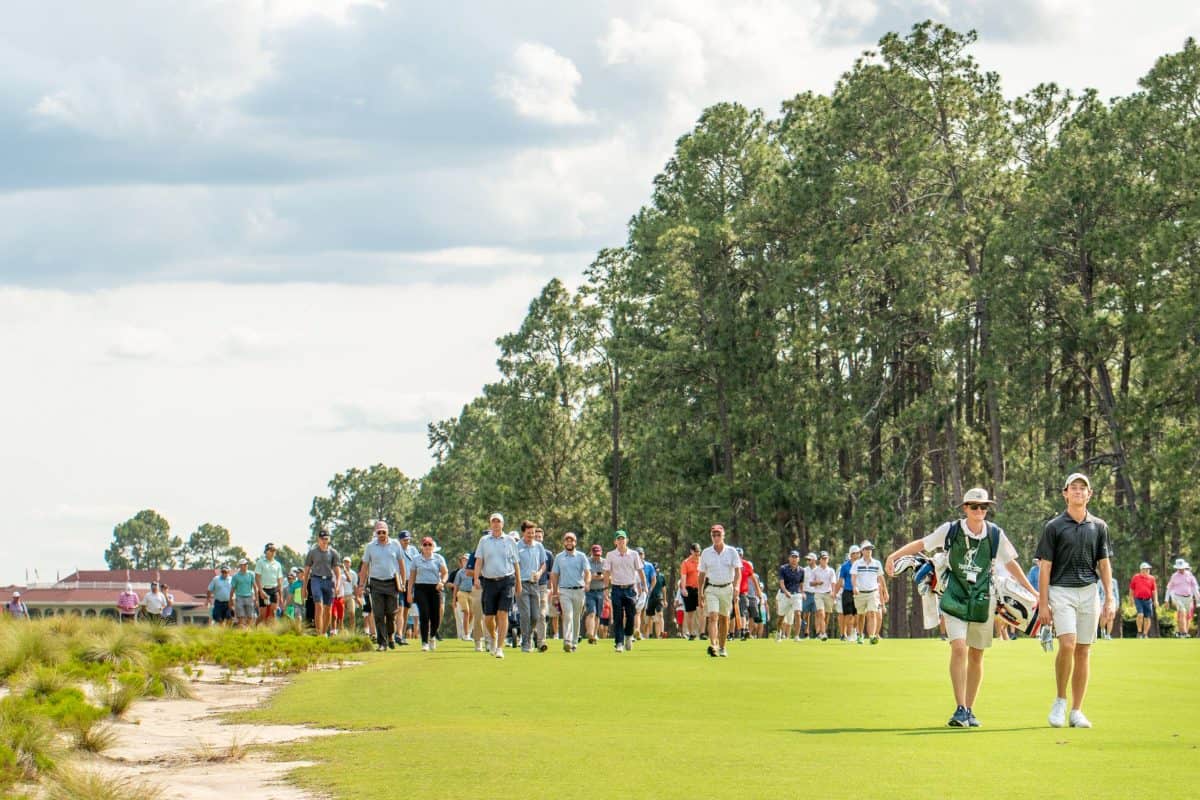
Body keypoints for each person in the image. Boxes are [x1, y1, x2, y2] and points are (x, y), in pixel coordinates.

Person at [886, 487, 1038, 728]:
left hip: (983, 599)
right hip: (954, 596)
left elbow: (1011, 564)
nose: (979, 511)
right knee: (958, 648)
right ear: (965, 508)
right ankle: (959, 708)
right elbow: (922, 544)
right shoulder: (951, 530)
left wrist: (1033, 592)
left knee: (977, 654)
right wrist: (893, 556)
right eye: (974, 506)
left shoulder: (995, 534)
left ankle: (969, 709)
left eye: (984, 507)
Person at [1036, 472, 1115, 729]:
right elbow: (1045, 567)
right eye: (1074, 488)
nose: (1079, 492)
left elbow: (1103, 564)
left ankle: (1077, 710)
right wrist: (1043, 602)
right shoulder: (1054, 526)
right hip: (1061, 590)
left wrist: (1109, 599)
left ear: (1089, 494)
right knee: (1067, 644)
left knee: (1083, 649)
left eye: (1083, 488)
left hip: (1088, 591)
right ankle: (1060, 700)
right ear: (1065, 493)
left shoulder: (1099, 527)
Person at [474, 512, 521, 659]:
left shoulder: (510, 541)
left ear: (502, 524)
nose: (496, 524)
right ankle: (493, 637)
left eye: (498, 521)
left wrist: (518, 583)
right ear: (490, 524)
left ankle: (500, 647)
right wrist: (476, 578)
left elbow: (516, 563)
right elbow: (479, 561)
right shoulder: (484, 540)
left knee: (503, 613)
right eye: (493, 521)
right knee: (488, 618)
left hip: (507, 580)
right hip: (488, 581)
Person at [359, 521, 406, 652]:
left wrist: (402, 581)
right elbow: (364, 566)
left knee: (391, 614)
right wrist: (361, 584)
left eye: (383, 532)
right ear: (375, 532)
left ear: (387, 532)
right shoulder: (370, 547)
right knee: (379, 614)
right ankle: (382, 643)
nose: (381, 534)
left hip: (392, 583)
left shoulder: (395, 544)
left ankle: (390, 636)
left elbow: (401, 564)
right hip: (376, 583)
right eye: (378, 532)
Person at [698, 523, 741, 657]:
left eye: (718, 534)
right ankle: (714, 645)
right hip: (711, 588)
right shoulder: (706, 552)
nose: (716, 537)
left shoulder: (731, 551)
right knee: (713, 616)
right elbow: (702, 574)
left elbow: (738, 572)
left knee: (724, 619)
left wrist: (737, 587)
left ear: (723, 536)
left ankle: (722, 647)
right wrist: (700, 592)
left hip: (727, 588)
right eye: (713, 535)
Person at [603, 530, 647, 653]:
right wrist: (606, 588)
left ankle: (628, 635)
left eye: (623, 539)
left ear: (627, 540)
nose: (621, 541)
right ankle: (619, 642)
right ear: (615, 542)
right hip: (616, 588)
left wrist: (644, 586)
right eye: (619, 539)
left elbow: (640, 570)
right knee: (617, 617)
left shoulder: (633, 554)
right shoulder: (610, 555)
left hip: (630, 588)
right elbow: (606, 573)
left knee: (631, 615)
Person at [550, 531, 591, 652]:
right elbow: (554, 574)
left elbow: (587, 572)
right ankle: (567, 640)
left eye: (571, 540)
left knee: (576, 617)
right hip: (564, 591)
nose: (569, 542)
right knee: (567, 615)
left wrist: (587, 583)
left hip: (579, 590)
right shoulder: (559, 557)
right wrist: (555, 591)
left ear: (575, 542)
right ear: (564, 542)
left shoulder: (581, 556)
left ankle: (574, 642)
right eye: (567, 540)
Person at [407, 537, 448, 650]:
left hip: (435, 588)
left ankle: (433, 636)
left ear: (433, 547)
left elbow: (445, 573)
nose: (427, 547)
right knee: (424, 614)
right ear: (422, 546)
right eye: (425, 545)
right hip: (421, 588)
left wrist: (442, 582)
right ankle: (424, 642)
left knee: (435, 616)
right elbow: (412, 578)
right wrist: (409, 593)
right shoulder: (416, 559)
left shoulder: (438, 558)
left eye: (429, 545)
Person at [516, 521, 549, 653]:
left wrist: (540, 573)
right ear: (523, 532)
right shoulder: (517, 546)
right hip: (521, 583)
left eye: (533, 533)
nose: (531, 535)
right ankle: (526, 643)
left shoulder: (539, 546)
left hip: (535, 584)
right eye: (529, 533)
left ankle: (529, 635)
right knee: (525, 615)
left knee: (535, 616)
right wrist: (517, 583)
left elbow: (543, 564)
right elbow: (515, 565)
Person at [303, 530, 342, 637]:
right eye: (322, 539)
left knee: (328, 610)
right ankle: (319, 633)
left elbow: (338, 573)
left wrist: (338, 585)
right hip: (316, 580)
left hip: (329, 581)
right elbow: (306, 571)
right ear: (318, 539)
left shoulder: (333, 553)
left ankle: (324, 633)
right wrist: (304, 588)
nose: (324, 541)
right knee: (318, 606)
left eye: (326, 538)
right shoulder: (312, 552)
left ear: (329, 539)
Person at [851, 542, 887, 644]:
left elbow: (881, 578)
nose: (869, 551)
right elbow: (853, 577)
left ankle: (872, 636)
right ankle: (860, 635)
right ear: (862, 551)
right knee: (861, 615)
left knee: (872, 613)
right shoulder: (857, 563)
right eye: (866, 549)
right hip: (860, 593)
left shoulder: (877, 563)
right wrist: (854, 587)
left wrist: (885, 592)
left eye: (870, 549)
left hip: (873, 592)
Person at [395, 530, 419, 645]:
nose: (407, 541)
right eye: (404, 540)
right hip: (398, 581)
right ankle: (397, 633)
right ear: (400, 540)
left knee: (406, 610)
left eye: (408, 539)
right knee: (399, 608)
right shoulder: (396, 549)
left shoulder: (413, 550)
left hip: (410, 582)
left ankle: (402, 635)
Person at [1165, 559, 1200, 638]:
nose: (1181, 570)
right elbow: (1169, 588)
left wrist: (1198, 600)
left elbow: (1195, 588)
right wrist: (1166, 600)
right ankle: (1184, 633)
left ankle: (1182, 633)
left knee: (1187, 616)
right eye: (1179, 568)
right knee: (1183, 612)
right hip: (1178, 597)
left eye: (1182, 568)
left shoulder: (1190, 575)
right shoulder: (1174, 576)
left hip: (1188, 598)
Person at [255, 543, 286, 625]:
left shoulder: (278, 564)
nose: (273, 552)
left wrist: (281, 595)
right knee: (263, 615)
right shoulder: (260, 562)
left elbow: (280, 580)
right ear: (266, 552)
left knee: (273, 612)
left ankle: (270, 631)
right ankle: (255, 627)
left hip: (274, 590)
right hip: (264, 589)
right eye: (271, 550)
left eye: (274, 551)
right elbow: (257, 577)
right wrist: (261, 591)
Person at [776, 550, 804, 641]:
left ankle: (796, 636)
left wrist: (802, 592)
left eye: (796, 557)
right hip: (784, 594)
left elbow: (801, 584)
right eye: (792, 557)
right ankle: (778, 633)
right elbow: (781, 583)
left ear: (798, 559)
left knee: (798, 613)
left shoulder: (801, 570)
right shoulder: (783, 568)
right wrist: (786, 592)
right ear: (789, 558)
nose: (794, 559)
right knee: (781, 617)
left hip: (796, 594)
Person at [835, 545, 861, 642]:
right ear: (850, 555)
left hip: (859, 592)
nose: (856, 555)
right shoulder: (845, 566)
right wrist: (834, 593)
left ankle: (855, 631)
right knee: (848, 615)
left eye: (857, 553)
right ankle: (848, 634)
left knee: (857, 615)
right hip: (847, 592)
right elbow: (840, 581)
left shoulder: (862, 565)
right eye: (854, 553)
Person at [810, 551, 836, 641]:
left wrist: (833, 592)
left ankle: (821, 632)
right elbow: (810, 583)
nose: (824, 560)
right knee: (821, 613)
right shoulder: (815, 570)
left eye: (826, 558)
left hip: (828, 594)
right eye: (823, 558)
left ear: (828, 560)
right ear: (819, 560)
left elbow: (833, 582)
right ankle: (823, 633)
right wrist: (817, 582)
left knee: (827, 615)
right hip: (818, 594)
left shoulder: (831, 570)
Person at [1129, 562, 1159, 638]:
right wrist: (1131, 599)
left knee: (1147, 617)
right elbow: (1132, 589)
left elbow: (1154, 590)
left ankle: (1145, 634)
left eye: (1148, 569)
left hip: (1148, 600)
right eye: (1145, 569)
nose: (1147, 571)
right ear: (1141, 570)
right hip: (1138, 599)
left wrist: (1155, 600)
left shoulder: (1152, 578)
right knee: (1140, 614)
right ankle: (1139, 632)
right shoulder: (1136, 577)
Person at [679, 543, 703, 639]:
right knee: (690, 613)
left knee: (702, 611)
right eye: (696, 551)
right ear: (691, 551)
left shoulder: (702, 561)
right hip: (689, 589)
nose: (697, 553)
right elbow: (683, 577)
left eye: (699, 551)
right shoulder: (686, 562)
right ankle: (692, 633)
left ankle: (702, 633)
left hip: (700, 589)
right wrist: (683, 588)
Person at [585, 544, 606, 644]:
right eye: (595, 555)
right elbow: (584, 576)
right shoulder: (587, 562)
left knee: (598, 615)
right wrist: (592, 576)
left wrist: (601, 577)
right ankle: (590, 633)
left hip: (601, 591)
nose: (597, 557)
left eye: (598, 555)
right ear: (591, 553)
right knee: (591, 612)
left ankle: (594, 634)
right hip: (590, 591)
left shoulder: (605, 562)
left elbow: (609, 577)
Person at [452, 554, 474, 641]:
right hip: (462, 593)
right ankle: (466, 634)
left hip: (472, 593)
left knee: (472, 614)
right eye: (463, 560)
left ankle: (466, 631)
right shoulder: (460, 572)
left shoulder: (474, 570)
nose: (465, 561)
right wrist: (454, 600)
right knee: (466, 612)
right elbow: (456, 586)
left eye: (466, 560)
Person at [231, 560, 257, 628]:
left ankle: (247, 630)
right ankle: (242, 630)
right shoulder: (235, 576)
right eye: (244, 564)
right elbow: (232, 589)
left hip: (249, 597)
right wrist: (230, 600)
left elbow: (255, 587)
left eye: (246, 564)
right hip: (239, 597)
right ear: (240, 566)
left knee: (250, 616)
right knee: (241, 616)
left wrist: (257, 599)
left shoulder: (251, 574)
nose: (246, 565)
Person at [337, 556, 358, 633]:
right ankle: (340, 631)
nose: (346, 563)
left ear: (350, 564)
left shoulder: (354, 574)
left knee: (352, 613)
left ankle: (352, 632)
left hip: (350, 596)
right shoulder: (339, 572)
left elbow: (355, 585)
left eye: (348, 562)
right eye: (345, 562)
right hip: (341, 596)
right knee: (340, 615)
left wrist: (357, 597)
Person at [1096, 573, 1119, 640]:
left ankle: (1108, 634)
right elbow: (1097, 592)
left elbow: (1116, 592)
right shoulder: (1100, 581)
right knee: (1104, 617)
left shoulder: (1114, 581)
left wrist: (1117, 603)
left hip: (1112, 601)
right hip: (1102, 601)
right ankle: (1103, 630)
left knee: (1111, 617)